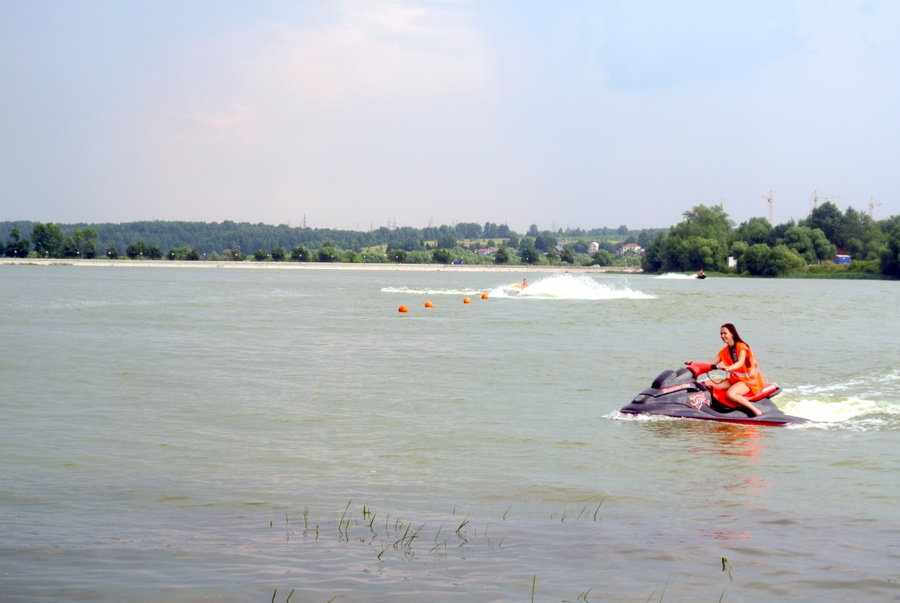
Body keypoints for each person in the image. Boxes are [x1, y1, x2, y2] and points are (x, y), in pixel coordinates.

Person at [688, 323, 765, 417]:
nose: (722, 336)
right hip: (734, 380)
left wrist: (728, 368)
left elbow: (740, 362)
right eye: (721, 334)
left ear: (732, 334)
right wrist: (694, 364)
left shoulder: (742, 347)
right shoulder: (724, 351)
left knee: (730, 394)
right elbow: (710, 364)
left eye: (725, 333)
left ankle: (756, 411)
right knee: (704, 384)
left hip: (749, 382)